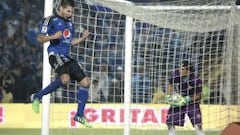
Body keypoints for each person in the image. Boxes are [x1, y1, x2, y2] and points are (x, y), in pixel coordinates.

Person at [31, 0, 91, 128]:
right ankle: (37, 96)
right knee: (65, 79)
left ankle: (79, 115)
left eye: (72, 12)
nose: (70, 14)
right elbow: (39, 38)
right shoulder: (50, 20)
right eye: (68, 11)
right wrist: (53, 37)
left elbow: (69, 42)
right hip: (55, 54)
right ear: (61, 8)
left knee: (86, 82)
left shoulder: (70, 23)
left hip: (67, 57)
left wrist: (82, 38)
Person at [165, 61, 205, 135]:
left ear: (188, 70)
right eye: (180, 68)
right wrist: (169, 96)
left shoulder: (196, 80)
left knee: (198, 124)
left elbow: (199, 95)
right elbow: (170, 85)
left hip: (192, 103)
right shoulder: (175, 75)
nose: (180, 70)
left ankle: (200, 133)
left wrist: (187, 99)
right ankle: (172, 133)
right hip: (178, 101)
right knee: (169, 122)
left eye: (182, 69)